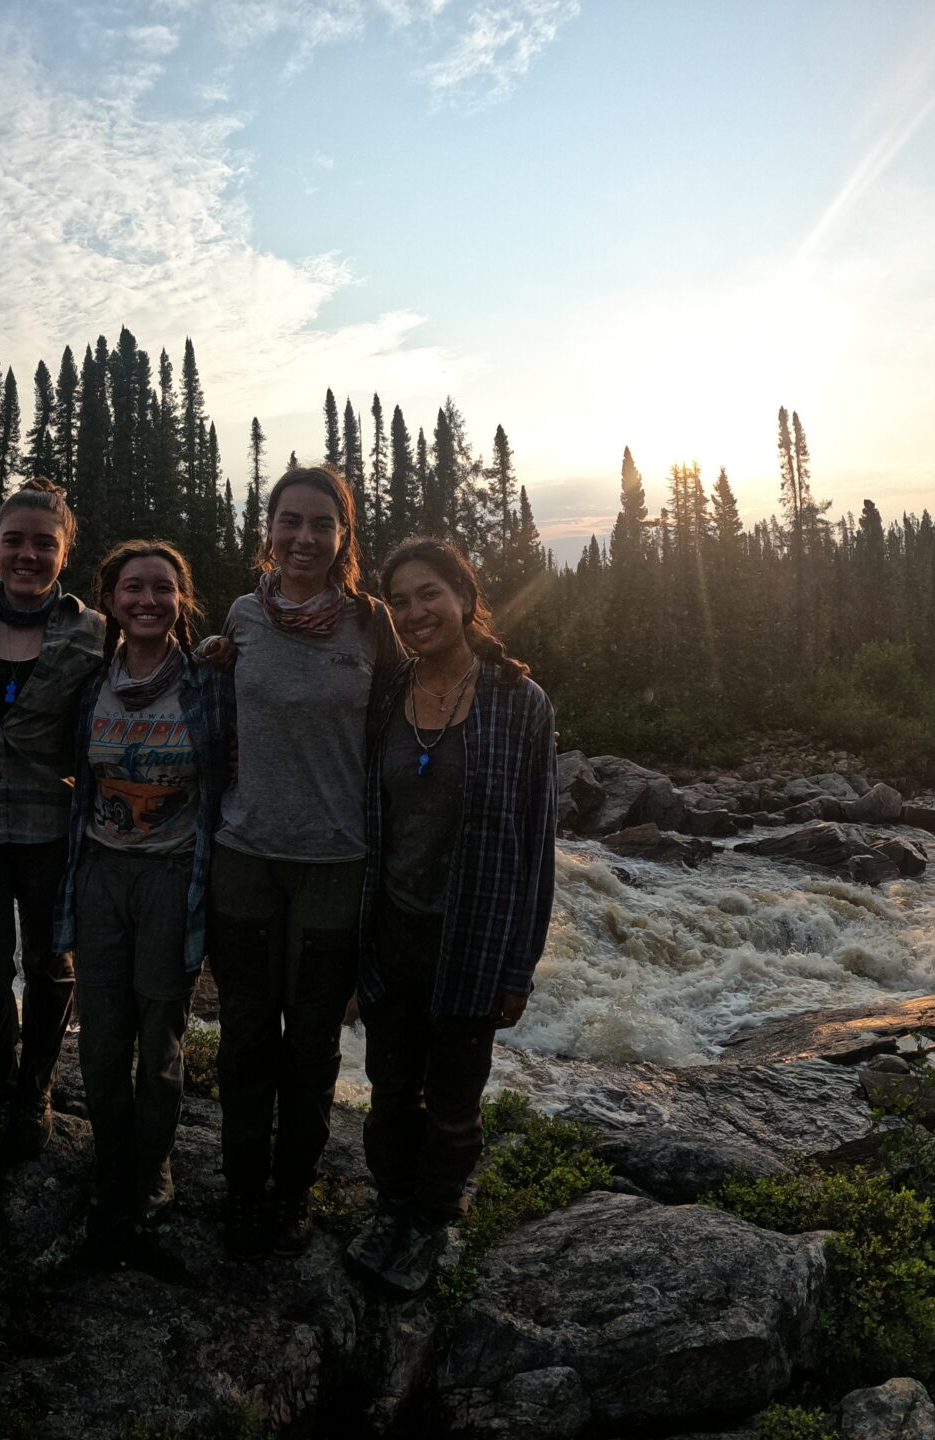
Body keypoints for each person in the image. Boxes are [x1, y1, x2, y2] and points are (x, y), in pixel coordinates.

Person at [343, 537, 556, 1295]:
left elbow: (537, 846)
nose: (412, 612)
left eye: (427, 594)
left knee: (456, 1103)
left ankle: (434, 1221)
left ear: (464, 597)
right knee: (391, 1091)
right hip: (392, 931)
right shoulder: (385, 695)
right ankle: (391, 1207)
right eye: (398, 601)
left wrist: (517, 967)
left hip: (472, 935)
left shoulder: (518, 702)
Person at [207, 463, 404, 1260]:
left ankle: (292, 1194)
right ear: (270, 529)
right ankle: (241, 1189)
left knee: (312, 1043)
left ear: (343, 537)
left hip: (335, 862)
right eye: (290, 521)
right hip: (245, 859)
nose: (304, 538)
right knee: (246, 1036)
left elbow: (417, 695)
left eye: (322, 525)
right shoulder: (242, 617)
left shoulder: (372, 624)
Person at [54, 541, 230, 1258]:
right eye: (133, 588)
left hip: (173, 877)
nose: (148, 600)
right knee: (100, 1038)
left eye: (162, 588)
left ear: (181, 601)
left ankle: (152, 1164)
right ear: (111, 599)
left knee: (160, 1035)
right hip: (99, 873)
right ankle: (110, 1156)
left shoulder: (211, 681)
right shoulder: (89, 680)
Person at [0, 480, 105, 1160]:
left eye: (44, 543)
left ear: (65, 552)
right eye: (15, 541)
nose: (27, 555)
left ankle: (36, 1087)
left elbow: (153, 669)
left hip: (49, 828)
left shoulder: (92, 629)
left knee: (51, 967)